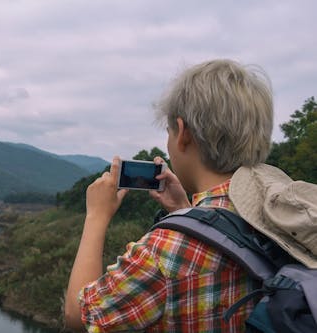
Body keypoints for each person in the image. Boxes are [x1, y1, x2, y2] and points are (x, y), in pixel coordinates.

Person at [64, 59, 275, 332]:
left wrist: (96, 216)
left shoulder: (166, 252)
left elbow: (78, 318)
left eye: (169, 132)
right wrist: (185, 211)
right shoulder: (281, 210)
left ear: (183, 133)